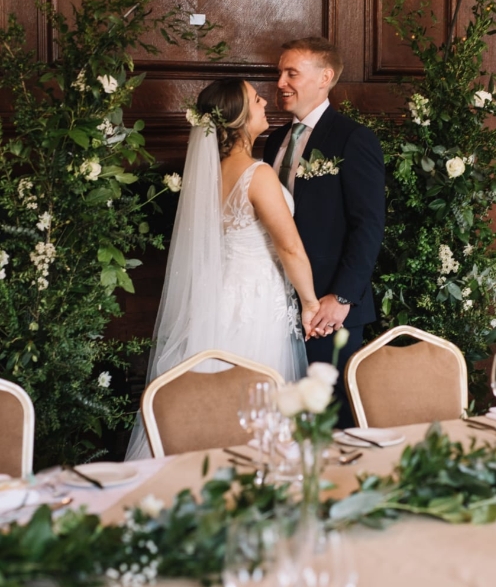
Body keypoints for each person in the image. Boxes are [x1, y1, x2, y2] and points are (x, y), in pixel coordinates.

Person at [126, 79, 319, 460]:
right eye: (255, 98)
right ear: (239, 117)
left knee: (215, 399)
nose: (265, 101)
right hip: (255, 303)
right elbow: (290, 247)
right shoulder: (257, 174)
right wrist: (310, 302)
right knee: (253, 403)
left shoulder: (211, 173)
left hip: (218, 298)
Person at [263, 37, 385, 425]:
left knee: (331, 421)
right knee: (287, 413)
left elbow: (369, 225)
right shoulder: (274, 142)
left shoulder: (353, 138)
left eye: (291, 73)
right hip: (278, 304)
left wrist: (342, 297)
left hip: (332, 309)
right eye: (279, 73)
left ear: (325, 78)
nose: (280, 82)